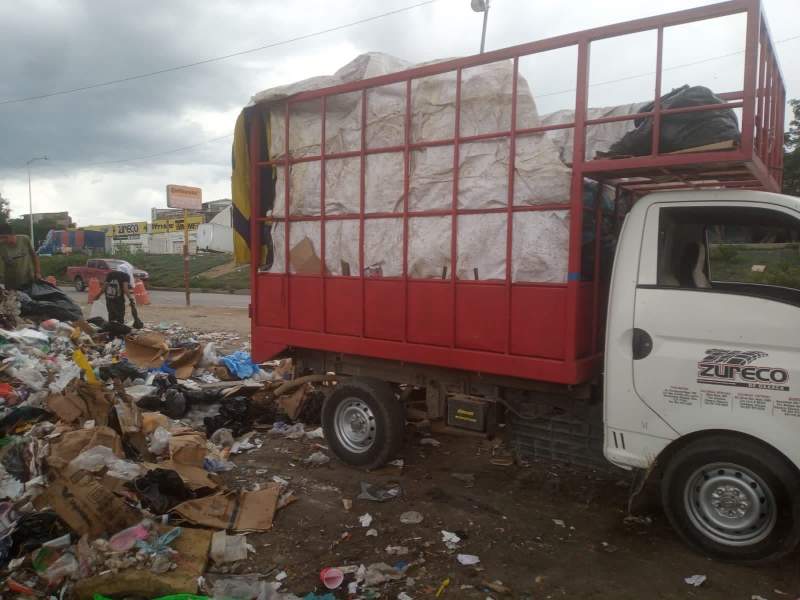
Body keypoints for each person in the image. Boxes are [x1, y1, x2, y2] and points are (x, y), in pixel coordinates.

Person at [0, 223, 41, 290]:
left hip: (28, 279)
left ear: (12, 234)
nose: (3, 240)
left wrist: (38, 272)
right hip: (11, 283)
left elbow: (34, 256)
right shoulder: (1, 245)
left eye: (5, 237)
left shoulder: (25, 239)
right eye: (1, 237)